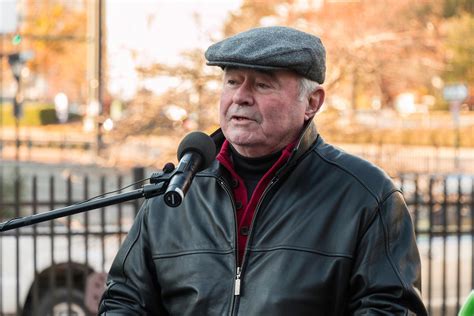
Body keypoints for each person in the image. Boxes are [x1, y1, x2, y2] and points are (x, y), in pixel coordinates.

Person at [99, 26, 427, 315]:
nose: (240, 97)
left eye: (262, 85)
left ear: (312, 102)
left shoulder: (366, 195)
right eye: (232, 81)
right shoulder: (177, 191)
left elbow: (390, 308)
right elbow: (126, 301)